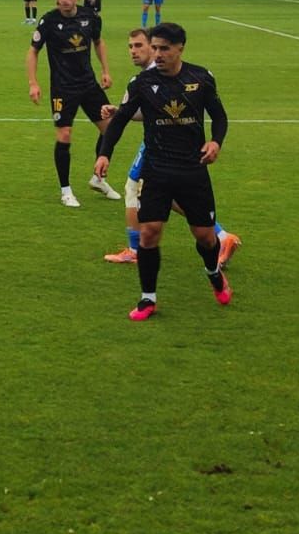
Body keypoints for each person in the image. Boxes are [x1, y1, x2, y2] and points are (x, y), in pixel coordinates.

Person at [94, 21, 231, 320]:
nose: (157, 54)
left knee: (206, 237)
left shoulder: (201, 78)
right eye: (154, 47)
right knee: (149, 234)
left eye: (164, 49)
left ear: (180, 48)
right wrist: (105, 154)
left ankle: (213, 272)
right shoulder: (141, 83)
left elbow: (220, 117)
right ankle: (147, 299)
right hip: (156, 169)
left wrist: (216, 142)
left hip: (192, 170)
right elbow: (119, 121)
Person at [26, 0, 118, 208]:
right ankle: (66, 190)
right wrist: (33, 83)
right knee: (64, 135)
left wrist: (105, 70)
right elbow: (33, 51)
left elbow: (98, 42)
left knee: (110, 128)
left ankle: (98, 179)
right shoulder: (48, 21)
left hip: (88, 85)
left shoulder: (90, 17)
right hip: (62, 89)